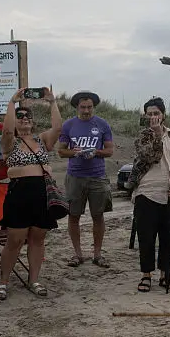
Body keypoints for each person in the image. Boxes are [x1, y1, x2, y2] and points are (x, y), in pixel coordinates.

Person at [0, 88, 66, 300]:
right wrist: (12, 103)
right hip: (19, 194)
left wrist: (52, 102)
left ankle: (34, 280)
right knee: (15, 240)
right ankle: (3, 282)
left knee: (38, 239)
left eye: (28, 116)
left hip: (42, 194)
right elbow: (7, 131)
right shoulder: (10, 142)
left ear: (33, 122)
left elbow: (58, 128)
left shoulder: (42, 140)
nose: (24, 118)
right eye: (20, 116)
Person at [129, 97, 170, 293]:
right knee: (146, 237)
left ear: (163, 115)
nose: (153, 117)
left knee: (168, 239)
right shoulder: (143, 136)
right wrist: (155, 134)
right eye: (150, 114)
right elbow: (150, 156)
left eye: (156, 113)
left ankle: (165, 275)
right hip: (147, 193)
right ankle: (146, 275)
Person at [57, 91, 115, 268]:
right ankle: (77, 254)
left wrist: (96, 152)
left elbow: (110, 150)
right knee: (73, 215)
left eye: (89, 107)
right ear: (77, 107)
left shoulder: (102, 124)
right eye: (83, 107)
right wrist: (74, 152)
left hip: (98, 176)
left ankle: (97, 254)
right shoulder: (68, 125)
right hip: (75, 176)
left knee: (98, 215)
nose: (86, 111)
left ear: (93, 107)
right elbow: (61, 151)